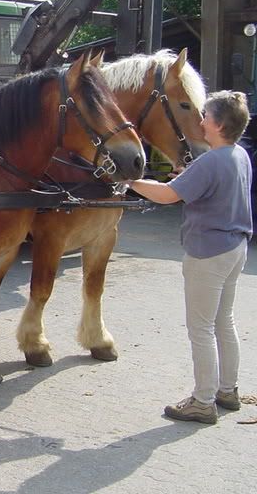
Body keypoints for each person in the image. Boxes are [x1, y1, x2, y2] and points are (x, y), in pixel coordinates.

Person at [127, 90, 252, 425]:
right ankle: (228, 390)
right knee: (224, 321)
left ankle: (202, 401)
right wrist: (183, 178)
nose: (199, 120)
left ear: (218, 123)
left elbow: (168, 196)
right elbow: (197, 187)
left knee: (201, 329)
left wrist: (131, 180)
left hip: (208, 253)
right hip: (234, 247)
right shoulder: (238, 154)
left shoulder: (211, 161)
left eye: (205, 115)